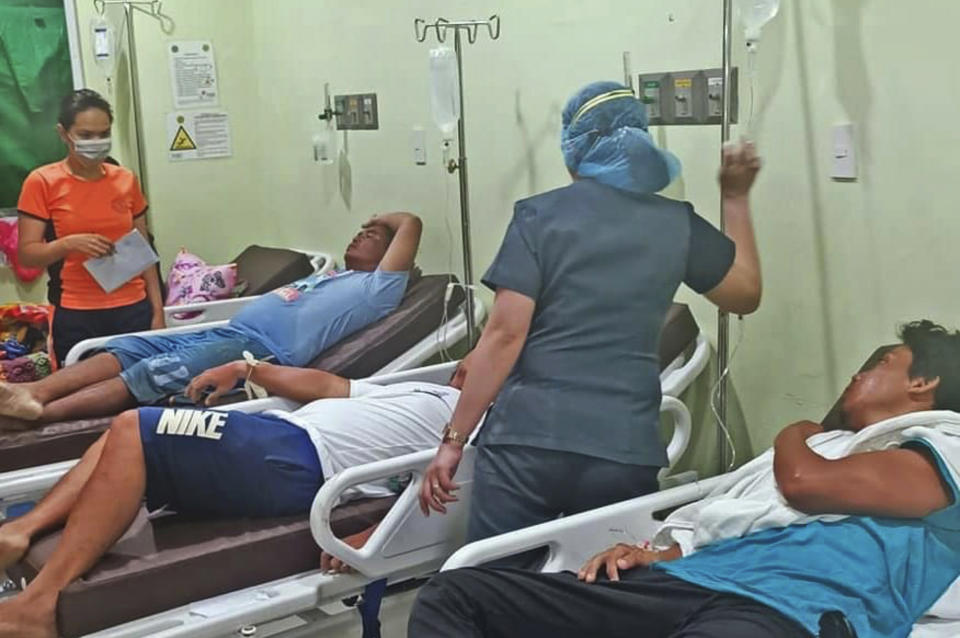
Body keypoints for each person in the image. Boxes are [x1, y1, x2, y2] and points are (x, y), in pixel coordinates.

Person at [408, 320, 960, 638]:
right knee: (456, 595)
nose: (858, 373)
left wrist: (800, 429)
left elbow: (800, 482)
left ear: (925, 382)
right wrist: (661, 556)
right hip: (688, 583)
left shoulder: (945, 447)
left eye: (882, 362)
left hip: (788, 611)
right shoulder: (839, 451)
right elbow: (751, 527)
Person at [418, 80, 763, 565]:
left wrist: (452, 442)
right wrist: (735, 197)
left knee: (499, 591)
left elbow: (504, 337)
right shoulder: (676, 223)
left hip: (527, 441)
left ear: (572, 151)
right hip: (622, 446)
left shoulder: (538, 217)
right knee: (602, 597)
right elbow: (745, 295)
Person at [0, 357, 461, 638]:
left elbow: (465, 485)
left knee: (133, 425)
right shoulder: (424, 387)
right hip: (282, 435)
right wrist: (247, 370)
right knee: (122, 439)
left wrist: (381, 534)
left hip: (300, 462)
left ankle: (39, 605)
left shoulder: (481, 419)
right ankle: (21, 532)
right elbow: (331, 387)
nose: (468, 361)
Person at [0, 211, 422, 426]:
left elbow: (412, 223)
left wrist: (382, 219)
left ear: (390, 257)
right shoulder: (334, 275)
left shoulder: (378, 290)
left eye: (372, 237)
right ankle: (34, 391)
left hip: (260, 352)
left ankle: (43, 415)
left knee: (153, 370)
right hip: (230, 331)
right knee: (129, 347)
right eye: (360, 231)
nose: (359, 235)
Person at [17, 89, 165, 366]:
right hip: (77, 312)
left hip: (133, 308)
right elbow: (26, 254)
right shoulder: (42, 182)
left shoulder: (125, 180)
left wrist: (158, 312)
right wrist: (67, 244)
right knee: (82, 397)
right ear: (63, 133)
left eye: (103, 134)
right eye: (85, 135)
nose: (96, 143)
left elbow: (144, 251)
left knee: (138, 391)